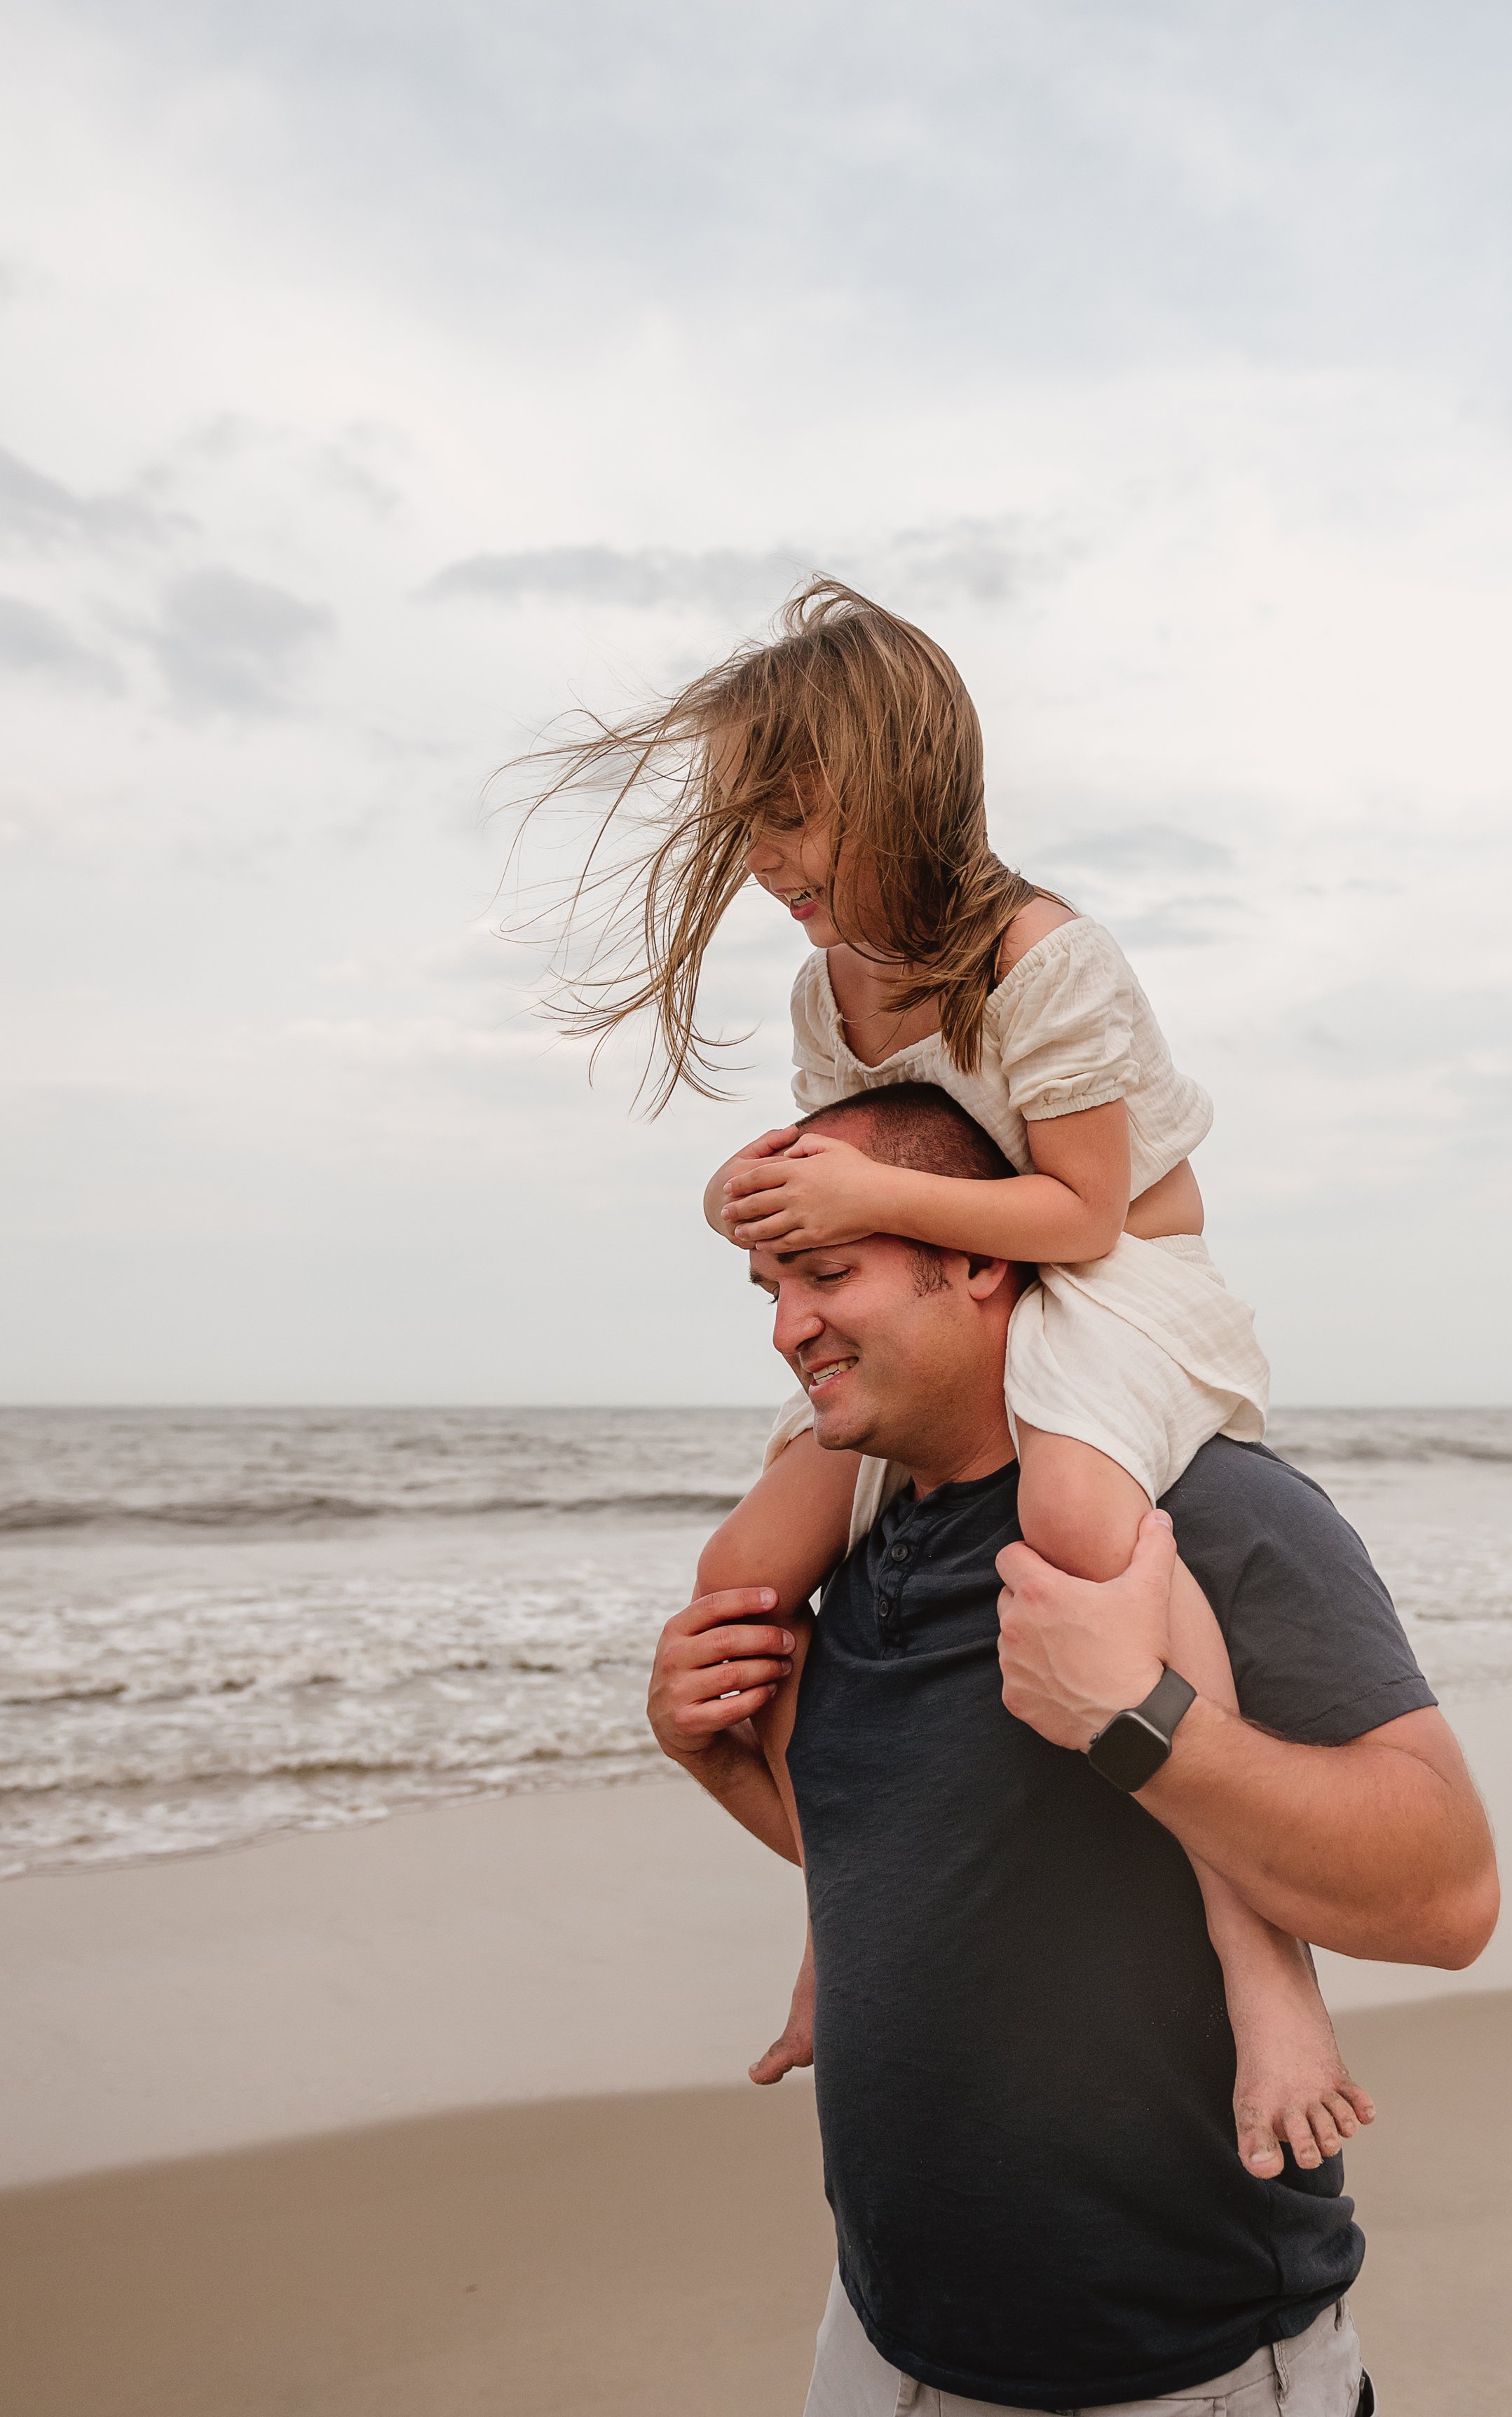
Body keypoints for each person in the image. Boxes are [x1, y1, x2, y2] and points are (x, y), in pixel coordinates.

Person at [520, 576, 1358, 2173]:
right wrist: (755, 1199)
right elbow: (851, 1164)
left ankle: (1267, 1972)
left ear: (898, 781)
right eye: (743, 831)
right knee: (741, 1571)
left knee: (1077, 1514)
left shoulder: (1044, 956)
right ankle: (856, 1915)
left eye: (789, 820)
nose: (765, 863)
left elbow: (1079, 1205)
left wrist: (869, 1205)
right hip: (952, 1281)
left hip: (1109, 1277)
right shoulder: (822, 984)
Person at [648, 1083, 1499, 2414]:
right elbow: (927, 1872)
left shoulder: (1208, 1510)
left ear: (980, 1256)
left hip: (1189, 2372)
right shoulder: (865, 1541)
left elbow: (1450, 1896)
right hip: (883, 2345)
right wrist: (722, 1760)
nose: (786, 1325)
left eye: (823, 1273)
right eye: (769, 1286)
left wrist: (1142, 1720)